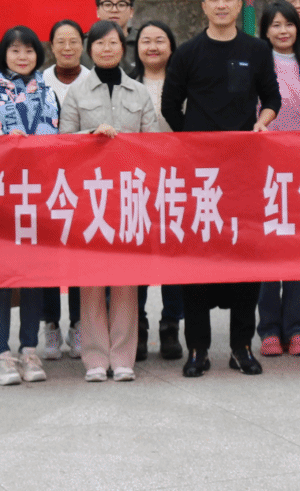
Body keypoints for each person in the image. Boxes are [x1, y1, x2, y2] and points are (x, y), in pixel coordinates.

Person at [161, 0, 278, 377]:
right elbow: (170, 105)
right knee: (197, 260)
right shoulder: (188, 52)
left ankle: (242, 347)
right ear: (204, 6)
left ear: (239, 5)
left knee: (245, 257)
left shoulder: (257, 50)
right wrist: (196, 142)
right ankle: (198, 349)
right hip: (200, 175)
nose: (222, 4)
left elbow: (272, 97)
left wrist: (263, 122)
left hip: (244, 171)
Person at [59, 21, 166, 381]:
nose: (107, 49)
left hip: (129, 195)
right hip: (89, 196)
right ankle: (94, 358)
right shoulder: (76, 92)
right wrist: (90, 135)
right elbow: (62, 142)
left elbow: (153, 144)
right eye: (100, 44)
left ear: (123, 47)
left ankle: (122, 357)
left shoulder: (138, 92)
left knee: (125, 279)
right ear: (89, 49)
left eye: (113, 43)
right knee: (90, 280)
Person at [0, 26, 63, 385]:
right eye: (15, 50)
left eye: (28, 50)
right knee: (2, 277)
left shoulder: (49, 94)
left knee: (33, 276)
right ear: (3, 55)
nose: (22, 57)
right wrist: (2, 146)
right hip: (0, 198)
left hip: (39, 197)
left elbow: (62, 143)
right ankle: (1, 353)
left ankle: (29, 349)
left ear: (37, 55)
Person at [255, 1, 300, 358]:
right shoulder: (257, 65)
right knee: (268, 251)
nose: (282, 31)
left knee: (296, 251)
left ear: (299, 28)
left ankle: (295, 328)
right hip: (265, 169)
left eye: (288, 24)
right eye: (275, 25)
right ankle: (268, 329)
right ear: (265, 30)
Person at [128, 19, 184, 360]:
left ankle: (170, 325)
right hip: (137, 182)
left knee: (174, 256)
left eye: (160, 40)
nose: (152, 47)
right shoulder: (127, 84)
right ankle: (139, 325)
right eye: (146, 40)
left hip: (176, 181)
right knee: (139, 257)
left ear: (171, 46)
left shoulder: (184, 82)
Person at [36, 18, 90, 360]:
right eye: (61, 42)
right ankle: (51, 325)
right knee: (48, 257)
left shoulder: (92, 80)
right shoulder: (39, 82)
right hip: (47, 181)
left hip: (85, 181)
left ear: (82, 45)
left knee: (80, 257)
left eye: (73, 41)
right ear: (51, 46)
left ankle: (79, 324)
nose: (67, 48)